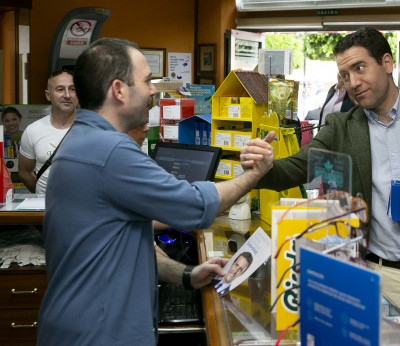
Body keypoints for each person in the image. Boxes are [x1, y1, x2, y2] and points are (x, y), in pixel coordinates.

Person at [242, 27, 400, 345]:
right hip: (375, 279)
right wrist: (264, 168)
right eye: (344, 74)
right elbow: (297, 168)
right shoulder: (341, 127)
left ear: (387, 62)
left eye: (359, 68)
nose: (352, 82)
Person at [38, 38, 275, 346]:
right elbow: (195, 207)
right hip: (97, 333)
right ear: (119, 90)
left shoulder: (81, 140)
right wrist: (254, 174)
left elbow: (123, 244)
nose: (153, 89)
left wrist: (187, 274)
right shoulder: (110, 150)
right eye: (148, 80)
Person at [18, 69, 78, 193]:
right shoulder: (33, 131)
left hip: (83, 208)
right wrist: (42, 194)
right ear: (48, 95)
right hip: (45, 209)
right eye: (60, 89)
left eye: (72, 89)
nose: (67, 95)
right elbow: (25, 172)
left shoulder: (94, 128)